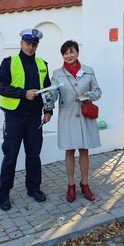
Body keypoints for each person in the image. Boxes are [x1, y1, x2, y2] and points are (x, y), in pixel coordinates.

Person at [0, 28, 52, 211]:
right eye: (28, 43)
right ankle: (3, 193)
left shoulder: (42, 64)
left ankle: (33, 189)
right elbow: (0, 86)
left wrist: (48, 110)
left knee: (34, 156)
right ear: (21, 43)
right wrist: (22, 94)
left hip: (34, 117)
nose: (30, 47)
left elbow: (47, 90)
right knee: (10, 156)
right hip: (14, 117)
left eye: (34, 44)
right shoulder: (9, 62)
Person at [51, 40, 101, 203]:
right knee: (69, 151)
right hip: (68, 117)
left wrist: (87, 95)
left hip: (85, 116)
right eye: (65, 53)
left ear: (77, 53)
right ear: (63, 56)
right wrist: (48, 97)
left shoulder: (88, 71)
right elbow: (53, 94)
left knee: (84, 151)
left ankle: (85, 184)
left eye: (71, 51)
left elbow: (98, 92)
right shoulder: (57, 74)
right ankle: (71, 185)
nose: (69, 55)